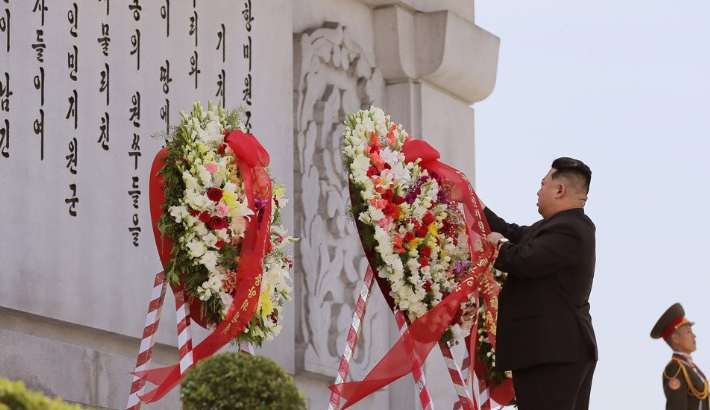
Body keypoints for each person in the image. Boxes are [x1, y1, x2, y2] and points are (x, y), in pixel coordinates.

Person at [482, 157, 598, 410]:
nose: (538, 190)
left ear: (559, 190)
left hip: (555, 354)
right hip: (548, 352)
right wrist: (471, 201)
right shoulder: (553, 227)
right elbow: (510, 230)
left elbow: (526, 260)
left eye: (543, 183)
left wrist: (499, 244)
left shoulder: (572, 229)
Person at [651, 303, 708, 410]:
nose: (694, 335)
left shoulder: (691, 367)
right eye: (688, 332)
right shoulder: (676, 368)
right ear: (675, 338)